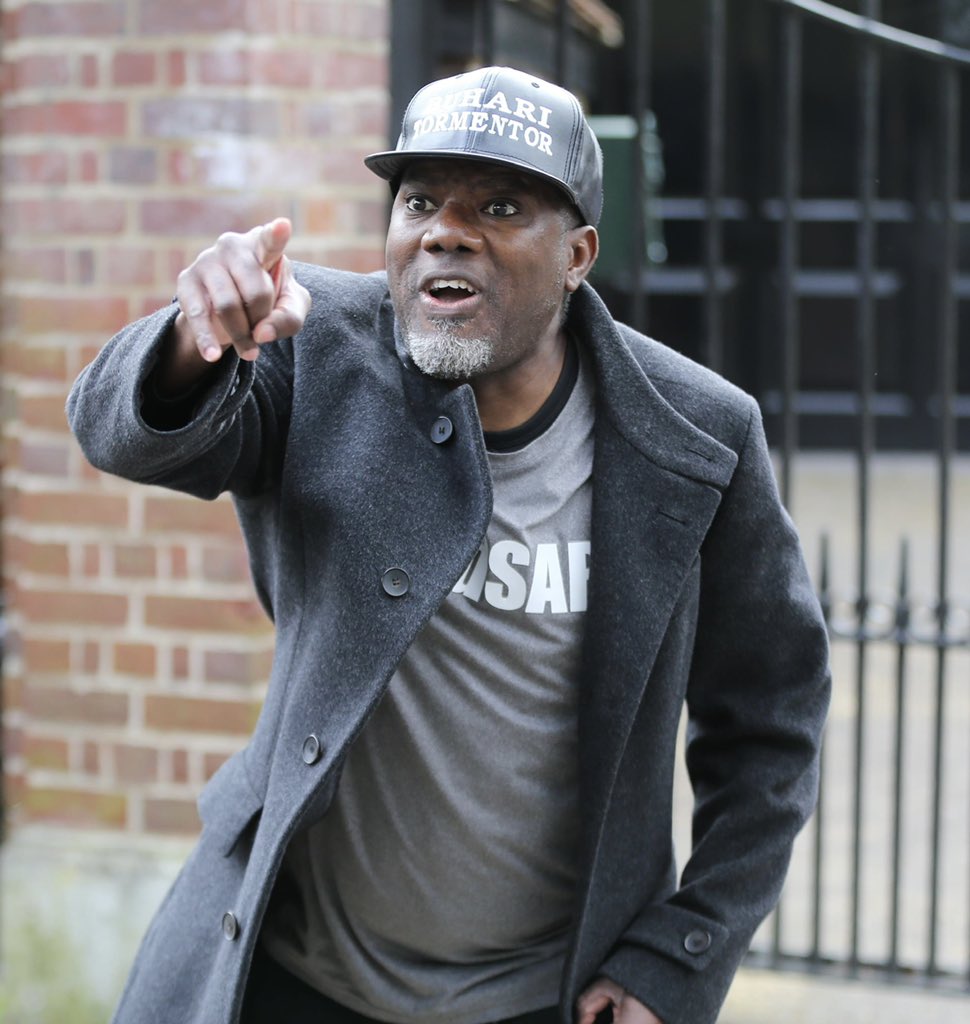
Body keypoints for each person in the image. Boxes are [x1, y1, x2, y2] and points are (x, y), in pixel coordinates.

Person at [67, 66, 830, 1024]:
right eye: (419, 201)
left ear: (578, 255)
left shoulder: (696, 438)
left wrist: (680, 953)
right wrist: (195, 341)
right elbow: (118, 432)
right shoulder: (312, 349)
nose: (445, 232)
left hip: (542, 996)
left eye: (500, 207)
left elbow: (772, 722)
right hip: (287, 973)